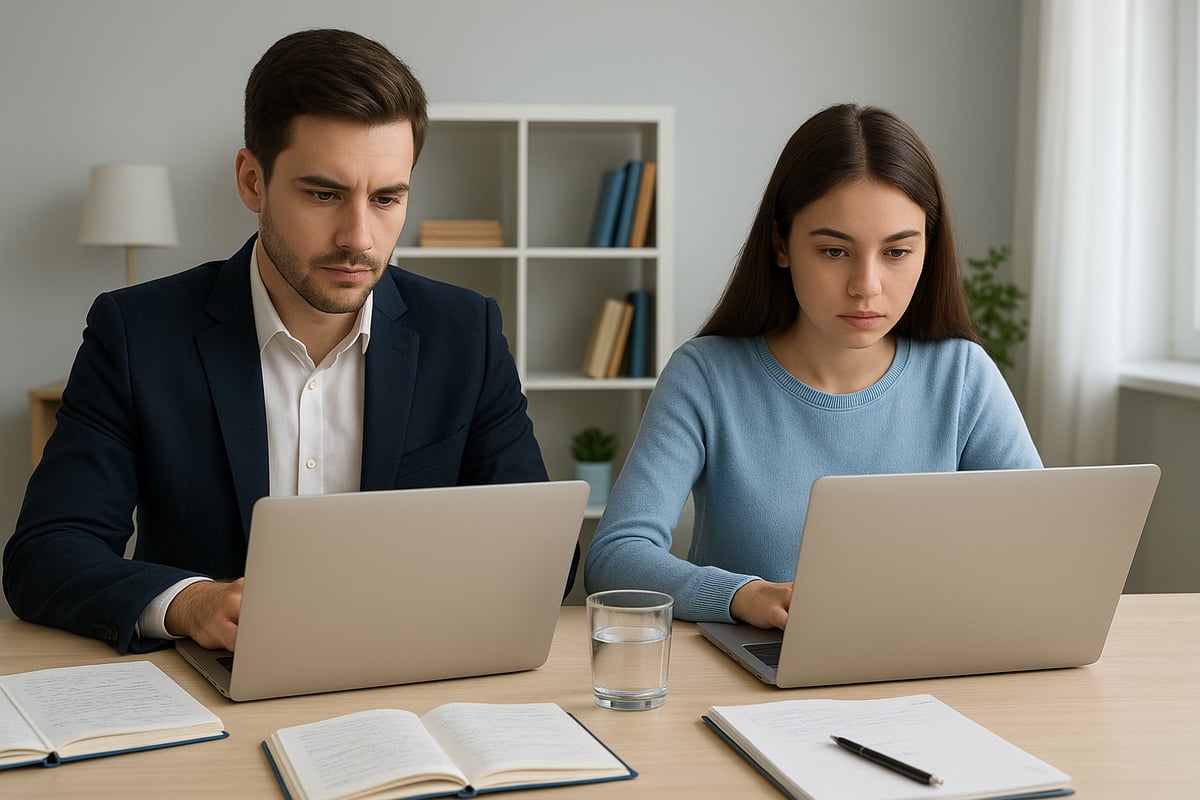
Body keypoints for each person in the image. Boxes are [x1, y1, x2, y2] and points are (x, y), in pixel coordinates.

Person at [3, 28, 570, 655]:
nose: (359, 236)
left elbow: (544, 558)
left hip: (408, 683)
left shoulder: (467, 334)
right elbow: (45, 554)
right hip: (208, 689)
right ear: (252, 180)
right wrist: (191, 604)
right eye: (324, 194)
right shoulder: (137, 333)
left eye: (386, 198)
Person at [584, 103, 1041, 631]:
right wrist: (741, 596)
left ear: (927, 252)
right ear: (781, 244)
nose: (866, 286)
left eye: (896, 253)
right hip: (755, 674)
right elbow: (616, 555)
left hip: (923, 666)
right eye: (833, 251)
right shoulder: (706, 375)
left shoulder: (963, 376)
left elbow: (1038, 546)